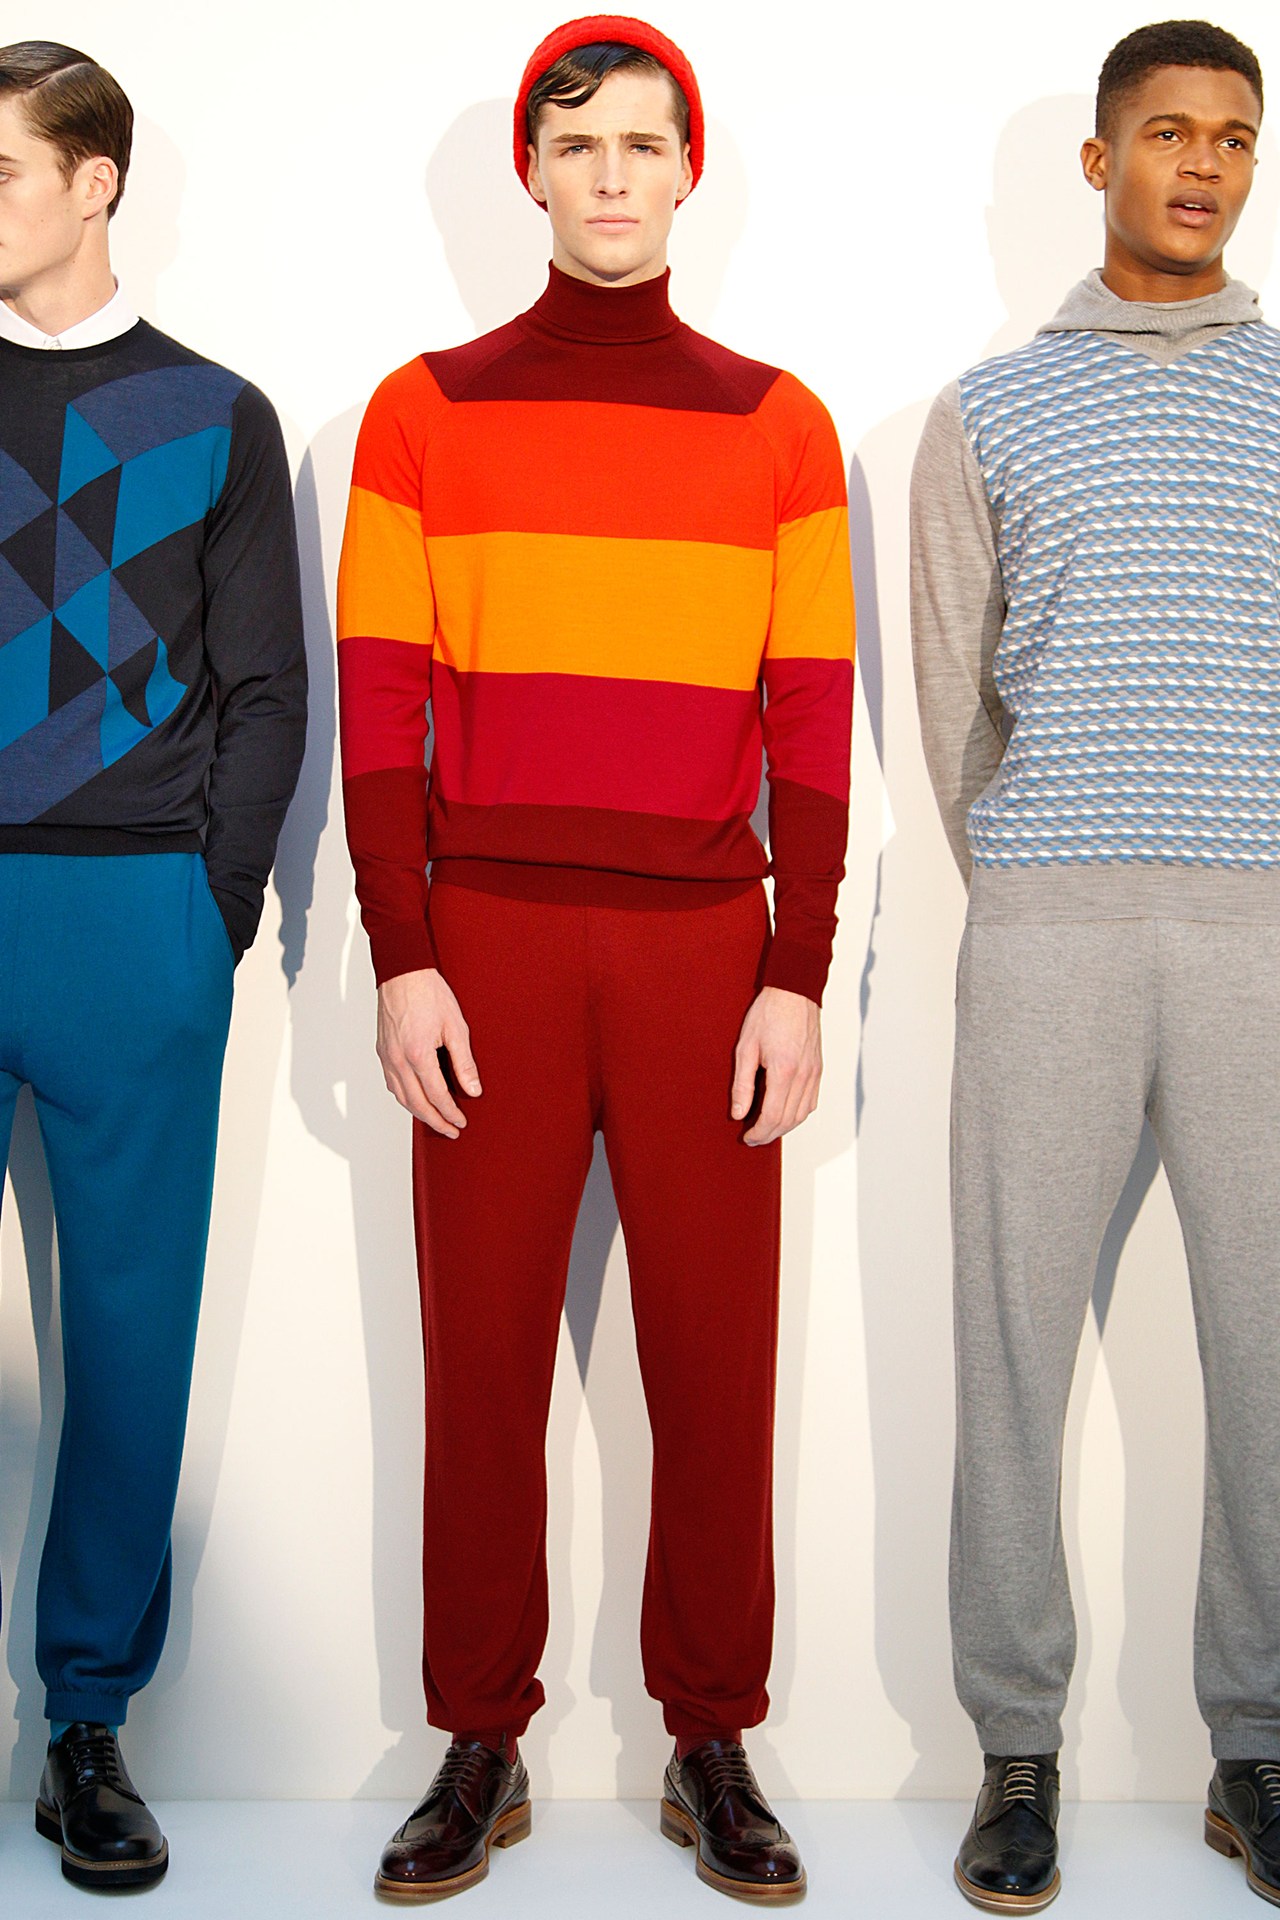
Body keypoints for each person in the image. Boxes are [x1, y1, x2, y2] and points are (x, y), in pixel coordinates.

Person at [337, 12, 853, 1902]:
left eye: (644, 142)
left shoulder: (780, 424)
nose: (613, 174)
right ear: (533, 174)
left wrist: (798, 969)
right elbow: (378, 703)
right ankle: (480, 1737)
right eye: (580, 145)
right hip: (484, 945)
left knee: (715, 1362)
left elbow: (813, 718)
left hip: (709, 952)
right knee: (479, 1361)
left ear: (688, 169)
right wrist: (403, 951)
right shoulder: (421, 410)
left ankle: (713, 1736)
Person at [911, 17, 1280, 1913]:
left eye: (1236, 137)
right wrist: (1035, 874)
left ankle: (1260, 1742)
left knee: (1272, 1348)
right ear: (1101, 160)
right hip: (1050, 920)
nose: (1203, 166)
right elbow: (952, 699)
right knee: (1010, 1343)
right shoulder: (990, 409)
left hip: (1261, 928)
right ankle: (1017, 1746)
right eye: (1169, 133)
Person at [0, 40, 306, 1890]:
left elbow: (267, 689)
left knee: (126, 1340)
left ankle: (86, 1725)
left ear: (95, 180)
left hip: (133, 924)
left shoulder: (214, 414)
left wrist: (213, 913)